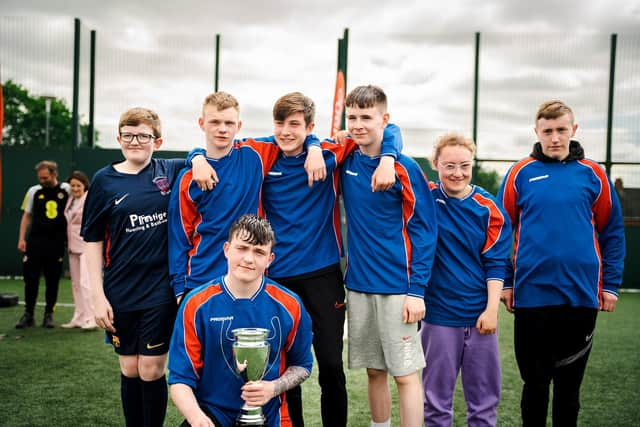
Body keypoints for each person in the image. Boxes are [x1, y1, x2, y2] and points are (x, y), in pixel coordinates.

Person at [262, 92, 399, 427]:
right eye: (280, 123)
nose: (285, 131)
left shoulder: (330, 151)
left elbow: (389, 127)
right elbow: (215, 149)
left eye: (295, 125)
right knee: (284, 368)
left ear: (309, 126)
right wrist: (196, 157)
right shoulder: (261, 153)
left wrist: (387, 159)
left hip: (322, 275)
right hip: (277, 277)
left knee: (331, 365)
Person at [82, 107, 214, 427]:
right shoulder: (104, 181)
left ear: (158, 140)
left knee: (151, 369)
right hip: (120, 290)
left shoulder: (169, 171)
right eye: (128, 135)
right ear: (119, 138)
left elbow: (203, 154)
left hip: (159, 289)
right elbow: (91, 240)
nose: (135, 141)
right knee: (128, 368)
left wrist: (196, 159)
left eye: (143, 136)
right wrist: (97, 297)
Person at [498, 100, 625, 426]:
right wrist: (508, 282)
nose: (555, 137)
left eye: (561, 130)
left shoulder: (594, 174)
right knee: (536, 384)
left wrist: (610, 285)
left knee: (569, 390)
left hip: (580, 295)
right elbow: (500, 232)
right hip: (531, 295)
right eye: (548, 131)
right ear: (537, 132)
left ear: (574, 129)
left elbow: (612, 232)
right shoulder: (519, 173)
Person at [339, 85, 437, 427]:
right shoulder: (346, 160)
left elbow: (425, 231)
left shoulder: (405, 168)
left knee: (406, 374)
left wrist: (417, 290)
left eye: (367, 117)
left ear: (385, 119)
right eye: (352, 117)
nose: (358, 124)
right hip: (360, 286)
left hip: (399, 288)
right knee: (374, 371)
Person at [168, 214, 314, 427]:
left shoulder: (289, 305)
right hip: (212, 413)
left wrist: (272, 388)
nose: (248, 259)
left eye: (259, 252)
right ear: (227, 249)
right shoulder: (196, 304)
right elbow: (180, 380)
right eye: (242, 248)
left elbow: (302, 365)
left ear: (269, 259)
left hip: (270, 416)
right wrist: (197, 418)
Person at [421, 133, 512, 426]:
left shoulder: (489, 208)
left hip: (479, 317)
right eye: (449, 166)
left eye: (464, 165)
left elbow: (497, 263)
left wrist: (491, 310)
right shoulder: (426, 199)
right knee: (435, 402)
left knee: (484, 403)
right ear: (436, 164)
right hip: (438, 317)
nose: (457, 173)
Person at [15, 160, 70, 329]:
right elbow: (27, 215)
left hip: (56, 242)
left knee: (52, 280)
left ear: (55, 174)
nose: (42, 180)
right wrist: (21, 239)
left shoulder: (67, 189)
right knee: (30, 279)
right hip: (36, 242)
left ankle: (49, 314)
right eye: (40, 177)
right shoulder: (33, 191)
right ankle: (28, 314)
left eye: (45, 177)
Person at [61, 170, 97, 330]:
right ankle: (79, 317)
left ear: (84, 185)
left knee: (86, 282)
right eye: (72, 185)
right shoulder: (69, 200)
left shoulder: (89, 199)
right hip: (72, 246)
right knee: (76, 284)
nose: (75, 188)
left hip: (86, 246)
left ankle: (91, 318)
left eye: (78, 185)